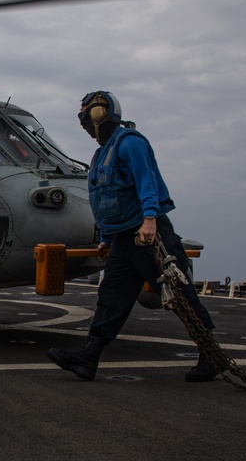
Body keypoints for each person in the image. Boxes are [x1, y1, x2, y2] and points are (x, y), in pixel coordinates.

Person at [47, 91, 220, 382]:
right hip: (123, 239)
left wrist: (150, 219)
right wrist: (107, 237)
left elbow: (146, 181)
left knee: (179, 294)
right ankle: (89, 357)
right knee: (111, 297)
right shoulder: (102, 153)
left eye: (90, 114)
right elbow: (104, 198)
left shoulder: (130, 143)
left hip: (147, 235)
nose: (87, 121)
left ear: (102, 113)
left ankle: (211, 354)